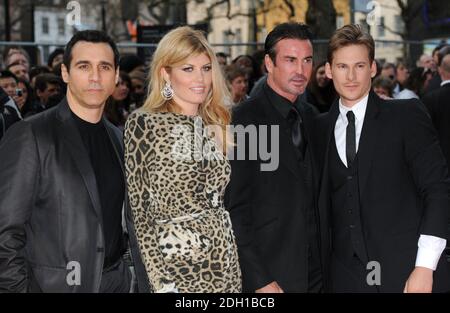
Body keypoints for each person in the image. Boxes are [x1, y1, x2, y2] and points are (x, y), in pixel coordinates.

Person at [0, 30, 149, 293]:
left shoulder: (120, 138)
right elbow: (6, 232)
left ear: (115, 76)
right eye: (84, 66)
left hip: (117, 283)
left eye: (104, 67)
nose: (95, 76)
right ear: (65, 73)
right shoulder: (31, 134)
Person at [316, 24, 450, 293]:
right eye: (342, 66)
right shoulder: (317, 128)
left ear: (373, 68)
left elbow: (438, 189)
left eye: (360, 66)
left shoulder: (406, 115)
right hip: (344, 278)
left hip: (408, 272)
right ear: (329, 70)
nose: (351, 76)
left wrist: (425, 266)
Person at [124, 26, 242, 293]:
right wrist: (160, 282)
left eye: (206, 68)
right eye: (188, 69)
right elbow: (140, 215)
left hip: (223, 263)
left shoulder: (214, 123)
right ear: (166, 73)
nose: (200, 78)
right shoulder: (145, 123)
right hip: (176, 269)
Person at [226, 22, 324, 293]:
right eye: (290, 60)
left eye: (306, 61)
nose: (301, 70)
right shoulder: (244, 121)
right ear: (269, 63)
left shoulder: (311, 117)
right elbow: (236, 210)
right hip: (271, 278)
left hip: (316, 275)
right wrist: (260, 280)